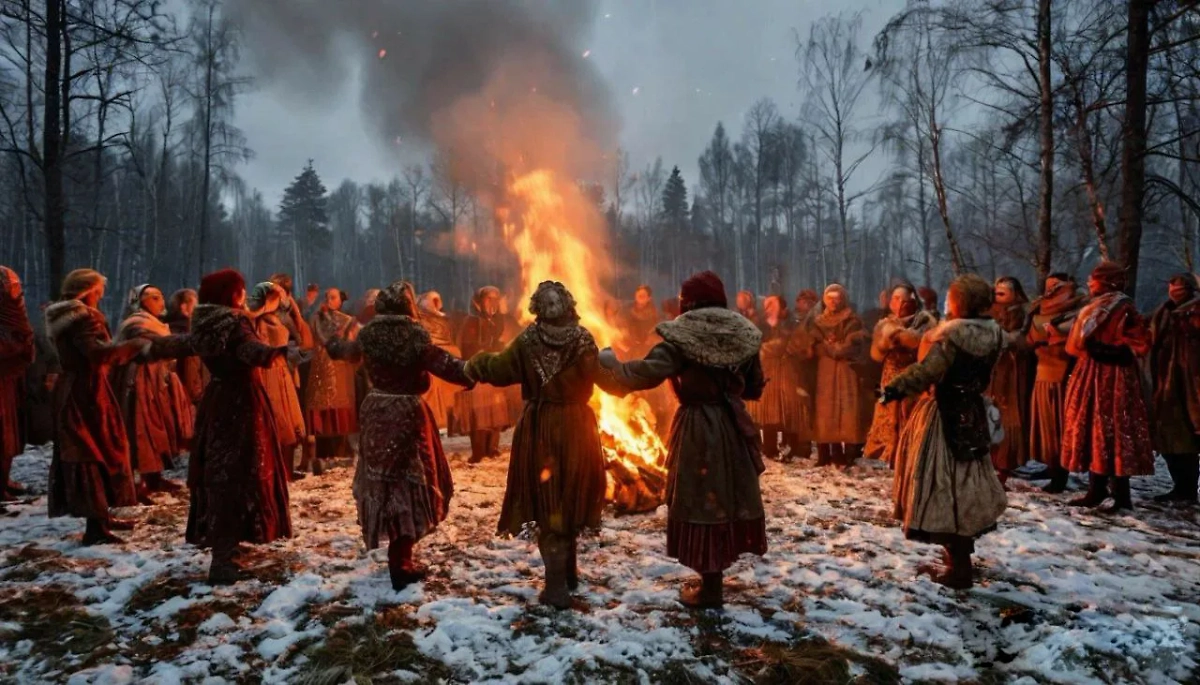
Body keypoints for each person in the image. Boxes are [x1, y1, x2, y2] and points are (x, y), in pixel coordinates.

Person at [601, 271, 766, 608]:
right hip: (732, 426)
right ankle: (715, 579)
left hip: (698, 428)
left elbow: (644, 373)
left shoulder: (683, 335)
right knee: (725, 498)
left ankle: (710, 587)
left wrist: (610, 366)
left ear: (688, 302)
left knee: (701, 499)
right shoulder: (743, 333)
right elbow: (754, 387)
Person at [465, 281, 622, 609]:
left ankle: (559, 582)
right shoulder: (583, 339)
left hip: (541, 427)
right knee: (570, 493)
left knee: (549, 499)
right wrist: (619, 367)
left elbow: (500, 369)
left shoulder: (528, 339)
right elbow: (606, 380)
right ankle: (562, 580)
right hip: (576, 426)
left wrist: (475, 364)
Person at [327, 281, 473, 590]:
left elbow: (344, 352)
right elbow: (444, 365)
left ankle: (399, 555)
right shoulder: (414, 334)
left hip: (375, 410)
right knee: (410, 483)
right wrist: (473, 373)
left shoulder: (368, 334)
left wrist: (334, 342)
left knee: (385, 483)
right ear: (408, 305)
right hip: (407, 413)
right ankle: (401, 561)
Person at [882, 273, 1007, 589]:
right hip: (972, 411)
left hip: (943, 414)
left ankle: (959, 568)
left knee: (943, 487)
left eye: (952, 297)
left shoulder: (951, 337)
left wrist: (894, 389)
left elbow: (928, 371)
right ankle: (958, 558)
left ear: (961, 301)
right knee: (964, 486)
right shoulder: (993, 334)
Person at [186, 269, 293, 583]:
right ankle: (224, 558)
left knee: (221, 473)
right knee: (238, 474)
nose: (244, 295)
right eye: (241, 289)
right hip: (241, 403)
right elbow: (248, 350)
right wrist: (277, 353)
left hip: (217, 399)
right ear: (232, 294)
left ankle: (227, 548)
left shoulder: (207, 321)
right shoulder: (235, 323)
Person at [46, 269, 147, 545]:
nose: (101, 295)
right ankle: (96, 527)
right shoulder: (84, 318)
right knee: (92, 451)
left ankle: (101, 517)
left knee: (96, 448)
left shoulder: (65, 316)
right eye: (99, 290)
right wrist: (133, 347)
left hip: (80, 388)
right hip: (87, 393)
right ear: (89, 290)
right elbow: (96, 353)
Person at [1061, 261, 1153, 511]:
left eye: (1094, 278)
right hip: (1091, 372)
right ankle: (1097, 489)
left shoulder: (1121, 307)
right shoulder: (1097, 305)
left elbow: (1140, 342)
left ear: (1107, 281)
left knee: (1113, 430)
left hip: (1113, 377)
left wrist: (1110, 350)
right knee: (1093, 428)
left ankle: (1121, 495)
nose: (1089, 282)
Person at [111, 284, 195, 497]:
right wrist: (188, 343)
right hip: (140, 379)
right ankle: (140, 479)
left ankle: (154, 477)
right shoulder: (136, 322)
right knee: (141, 426)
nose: (161, 301)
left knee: (158, 426)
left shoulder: (157, 322)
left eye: (161, 297)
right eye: (154, 298)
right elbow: (152, 346)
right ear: (140, 301)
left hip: (158, 378)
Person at [865, 283, 937, 467]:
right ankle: (888, 453)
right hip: (890, 373)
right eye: (896, 299)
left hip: (911, 373)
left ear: (912, 300)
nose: (899, 303)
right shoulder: (885, 323)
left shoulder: (924, 321)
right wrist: (884, 342)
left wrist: (900, 335)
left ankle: (908, 454)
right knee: (888, 412)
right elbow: (876, 354)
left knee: (909, 413)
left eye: (903, 299)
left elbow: (921, 343)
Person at [1025, 274, 1085, 492]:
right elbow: (1030, 337)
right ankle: (1051, 466)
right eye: (1048, 286)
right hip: (1042, 371)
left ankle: (1060, 474)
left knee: (1060, 426)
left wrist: (1052, 336)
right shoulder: (1038, 309)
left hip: (1062, 374)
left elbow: (1074, 339)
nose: (1050, 290)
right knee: (1046, 426)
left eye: (1055, 286)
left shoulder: (1078, 309)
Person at [1148, 273, 1200, 503]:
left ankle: (1187, 489)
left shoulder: (1195, 311)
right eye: (1172, 286)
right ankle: (1180, 486)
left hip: (1188, 383)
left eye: (1179, 287)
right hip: (1165, 379)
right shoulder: (1165, 310)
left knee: (1185, 439)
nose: (1174, 291)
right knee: (1168, 437)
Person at [247, 283, 308, 479]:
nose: (283, 298)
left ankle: (286, 469)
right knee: (275, 419)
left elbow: (305, 340)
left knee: (288, 421)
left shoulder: (279, 318)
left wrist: (295, 311)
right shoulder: (256, 320)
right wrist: (265, 307)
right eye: (278, 295)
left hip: (281, 371)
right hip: (267, 372)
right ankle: (273, 470)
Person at [809, 284, 869, 469]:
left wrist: (834, 348)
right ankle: (827, 452)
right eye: (830, 298)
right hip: (826, 370)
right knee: (826, 410)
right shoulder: (818, 321)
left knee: (846, 409)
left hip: (845, 370)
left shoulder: (852, 320)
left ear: (843, 299)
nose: (833, 302)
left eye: (837, 298)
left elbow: (853, 345)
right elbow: (813, 344)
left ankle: (848, 454)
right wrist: (824, 347)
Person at [306, 287, 360, 469]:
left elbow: (351, 343)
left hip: (339, 367)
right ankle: (323, 455)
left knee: (340, 409)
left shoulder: (347, 320)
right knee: (322, 409)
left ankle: (341, 453)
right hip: (321, 367)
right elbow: (314, 335)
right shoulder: (316, 318)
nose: (329, 300)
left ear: (340, 301)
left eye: (334, 297)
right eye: (327, 297)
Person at [987, 277, 1032, 485]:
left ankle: (1005, 464)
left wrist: (1003, 339)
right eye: (996, 293)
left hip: (1012, 373)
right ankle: (991, 461)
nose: (998, 298)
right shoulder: (990, 313)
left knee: (1009, 418)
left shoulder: (1022, 314)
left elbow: (1021, 340)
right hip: (992, 372)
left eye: (1002, 293)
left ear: (1014, 294)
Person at [456, 286, 509, 463]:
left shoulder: (496, 322)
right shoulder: (471, 321)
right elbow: (468, 347)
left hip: (493, 373)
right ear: (480, 302)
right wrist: (485, 351)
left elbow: (499, 340)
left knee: (495, 411)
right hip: (478, 374)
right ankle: (479, 451)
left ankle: (492, 447)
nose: (492, 303)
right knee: (479, 413)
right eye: (488, 299)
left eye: (496, 299)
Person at [753, 295, 808, 462]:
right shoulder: (760, 324)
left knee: (789, 409)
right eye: (767, 304)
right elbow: (755, 344)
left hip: (788, 371)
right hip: (768, 370)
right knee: (768, 410)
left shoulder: (791, 324)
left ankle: (794, 446)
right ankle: (769, 447)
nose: (768, 307)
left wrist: (773, 347)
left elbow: (794, 343)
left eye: (772, 304)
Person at [0, 267, 35, 502]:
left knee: (9, 436)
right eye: (13, 286)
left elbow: (21, 334)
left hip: (9, 381)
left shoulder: (12, 311)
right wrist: (15, 346)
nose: (18, 291)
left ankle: (3, 481)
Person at [418, 291, 462, 432]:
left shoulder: (445, 320)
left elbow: (449, 338)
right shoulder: (420, 319)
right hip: (432, 361)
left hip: (447, 357)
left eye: (438, 301)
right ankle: (436, 420)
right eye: (433, 301)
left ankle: (453, 421)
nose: (436, 305)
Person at [791, 290, 820, 460]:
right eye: (801, 301)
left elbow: (811, 346)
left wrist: (803, 350)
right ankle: (799, 444)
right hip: (796, 367)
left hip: (810, 369)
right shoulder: (797, 320)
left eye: (806, 302)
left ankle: (806, 444)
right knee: (798, 407)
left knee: (807, 407)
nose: (802, 304)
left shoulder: (813, 321)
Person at [164, 289, 205, 406]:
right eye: (195, 307)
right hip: (188, 401)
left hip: (174, 398)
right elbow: (191, 372)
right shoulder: (188, 335)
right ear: (184, 308)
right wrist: (199, 399)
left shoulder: (165, 330)